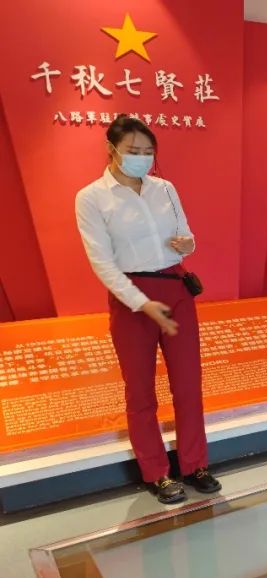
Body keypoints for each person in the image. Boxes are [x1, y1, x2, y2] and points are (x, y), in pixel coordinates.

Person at [75, 117, 220, 505]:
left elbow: (186, 235)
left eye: (148, 152)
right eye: (133, 151)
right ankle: (156, 472)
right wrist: (141, 303)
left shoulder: (165, 188)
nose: (142, 158)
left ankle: (195, 464)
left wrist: (187, 244)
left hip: (175, 288)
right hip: (131, 296)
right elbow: (102, 262)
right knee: (140, 390)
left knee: (188, 385)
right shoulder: (92, 197)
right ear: (112, 149)